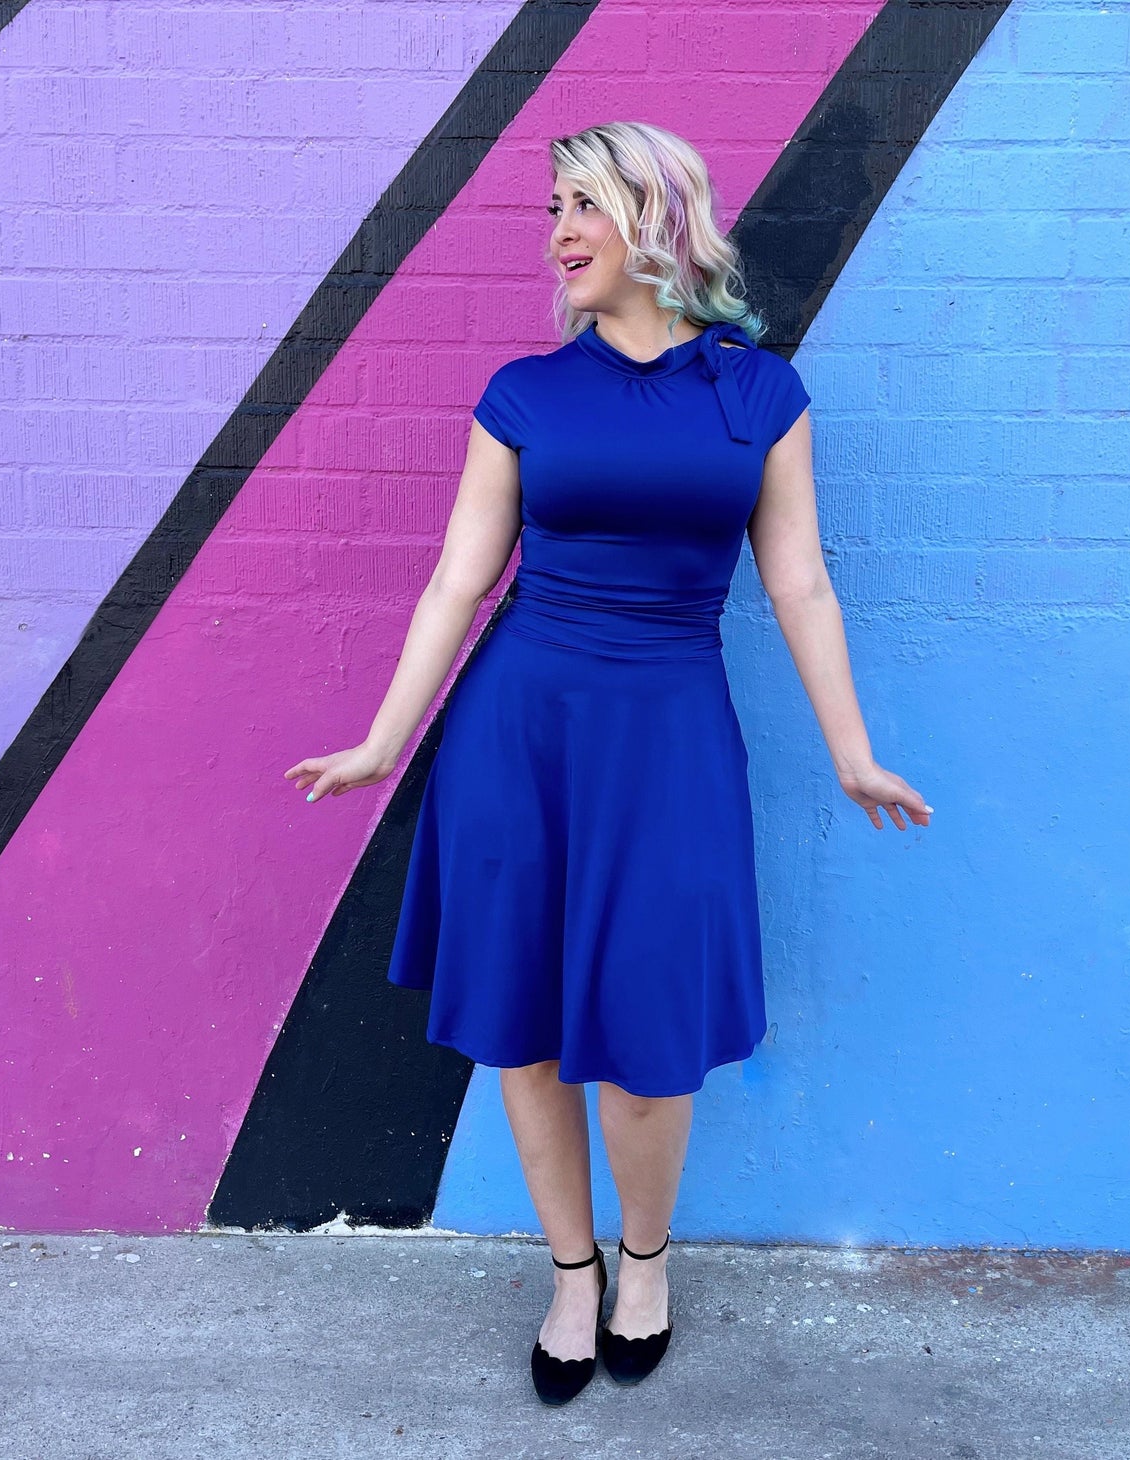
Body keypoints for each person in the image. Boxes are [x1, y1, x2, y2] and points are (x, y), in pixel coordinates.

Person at [284, 121, 932, 1405]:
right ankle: (570, 1272)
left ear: (657, 217)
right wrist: (384, 738)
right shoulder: (524, 393)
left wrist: (851, 751)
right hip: (518, 733)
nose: (558, 233)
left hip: (669, 737)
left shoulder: (759, 395)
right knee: (524, 1028)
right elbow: (460, 580)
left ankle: (646, 1261)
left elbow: (799, 583)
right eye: (552, 209)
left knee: (646, 1035)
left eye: (582, 205)